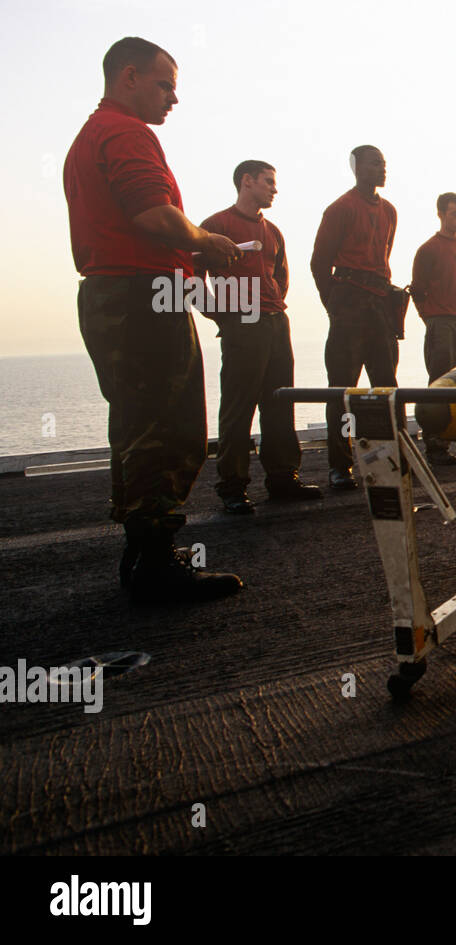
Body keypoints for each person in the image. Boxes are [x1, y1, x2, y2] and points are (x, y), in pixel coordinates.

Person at [64, 36, 243, 603]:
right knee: (169, 427)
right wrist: (207, 241)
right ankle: (156, 564)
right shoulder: (125, 131)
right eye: (165, 84)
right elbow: (152, 214)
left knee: (138, 424)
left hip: (118, 292)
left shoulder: (91, 136)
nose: (173, 98)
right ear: (129, 77)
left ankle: (143, 556)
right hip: (143, 295)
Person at [198, 160, 321, 513]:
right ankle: (233, 486)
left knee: (280, 401)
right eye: (268, 182)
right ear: (246, 181)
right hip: (243, 324)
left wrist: (272, 306)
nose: (274, 188)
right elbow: (190, 273)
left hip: (276, 322)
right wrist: (220, 313)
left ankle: (283, 478)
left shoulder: (274, 231)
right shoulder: (216, 225)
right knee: (239, 406)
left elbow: (280, 277)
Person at [310, 145, 399, 489]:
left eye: (384, 163)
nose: (383, 168)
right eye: (375, 163)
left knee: (385, 385)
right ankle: (340, 466)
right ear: (357, 167)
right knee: (342, 389)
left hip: (380, 302)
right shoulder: (340, 208)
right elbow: (319, 263)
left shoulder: (390, 211)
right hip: (348, 301)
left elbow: (383, 256)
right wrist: (333, 304)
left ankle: (388, 457)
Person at [411, 192, 456, 465]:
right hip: (441, 322)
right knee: (439, 382)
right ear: (441, 214)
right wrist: (432, 320)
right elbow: (417, 290)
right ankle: (436, 444)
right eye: (454, 214)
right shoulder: (428, 250)